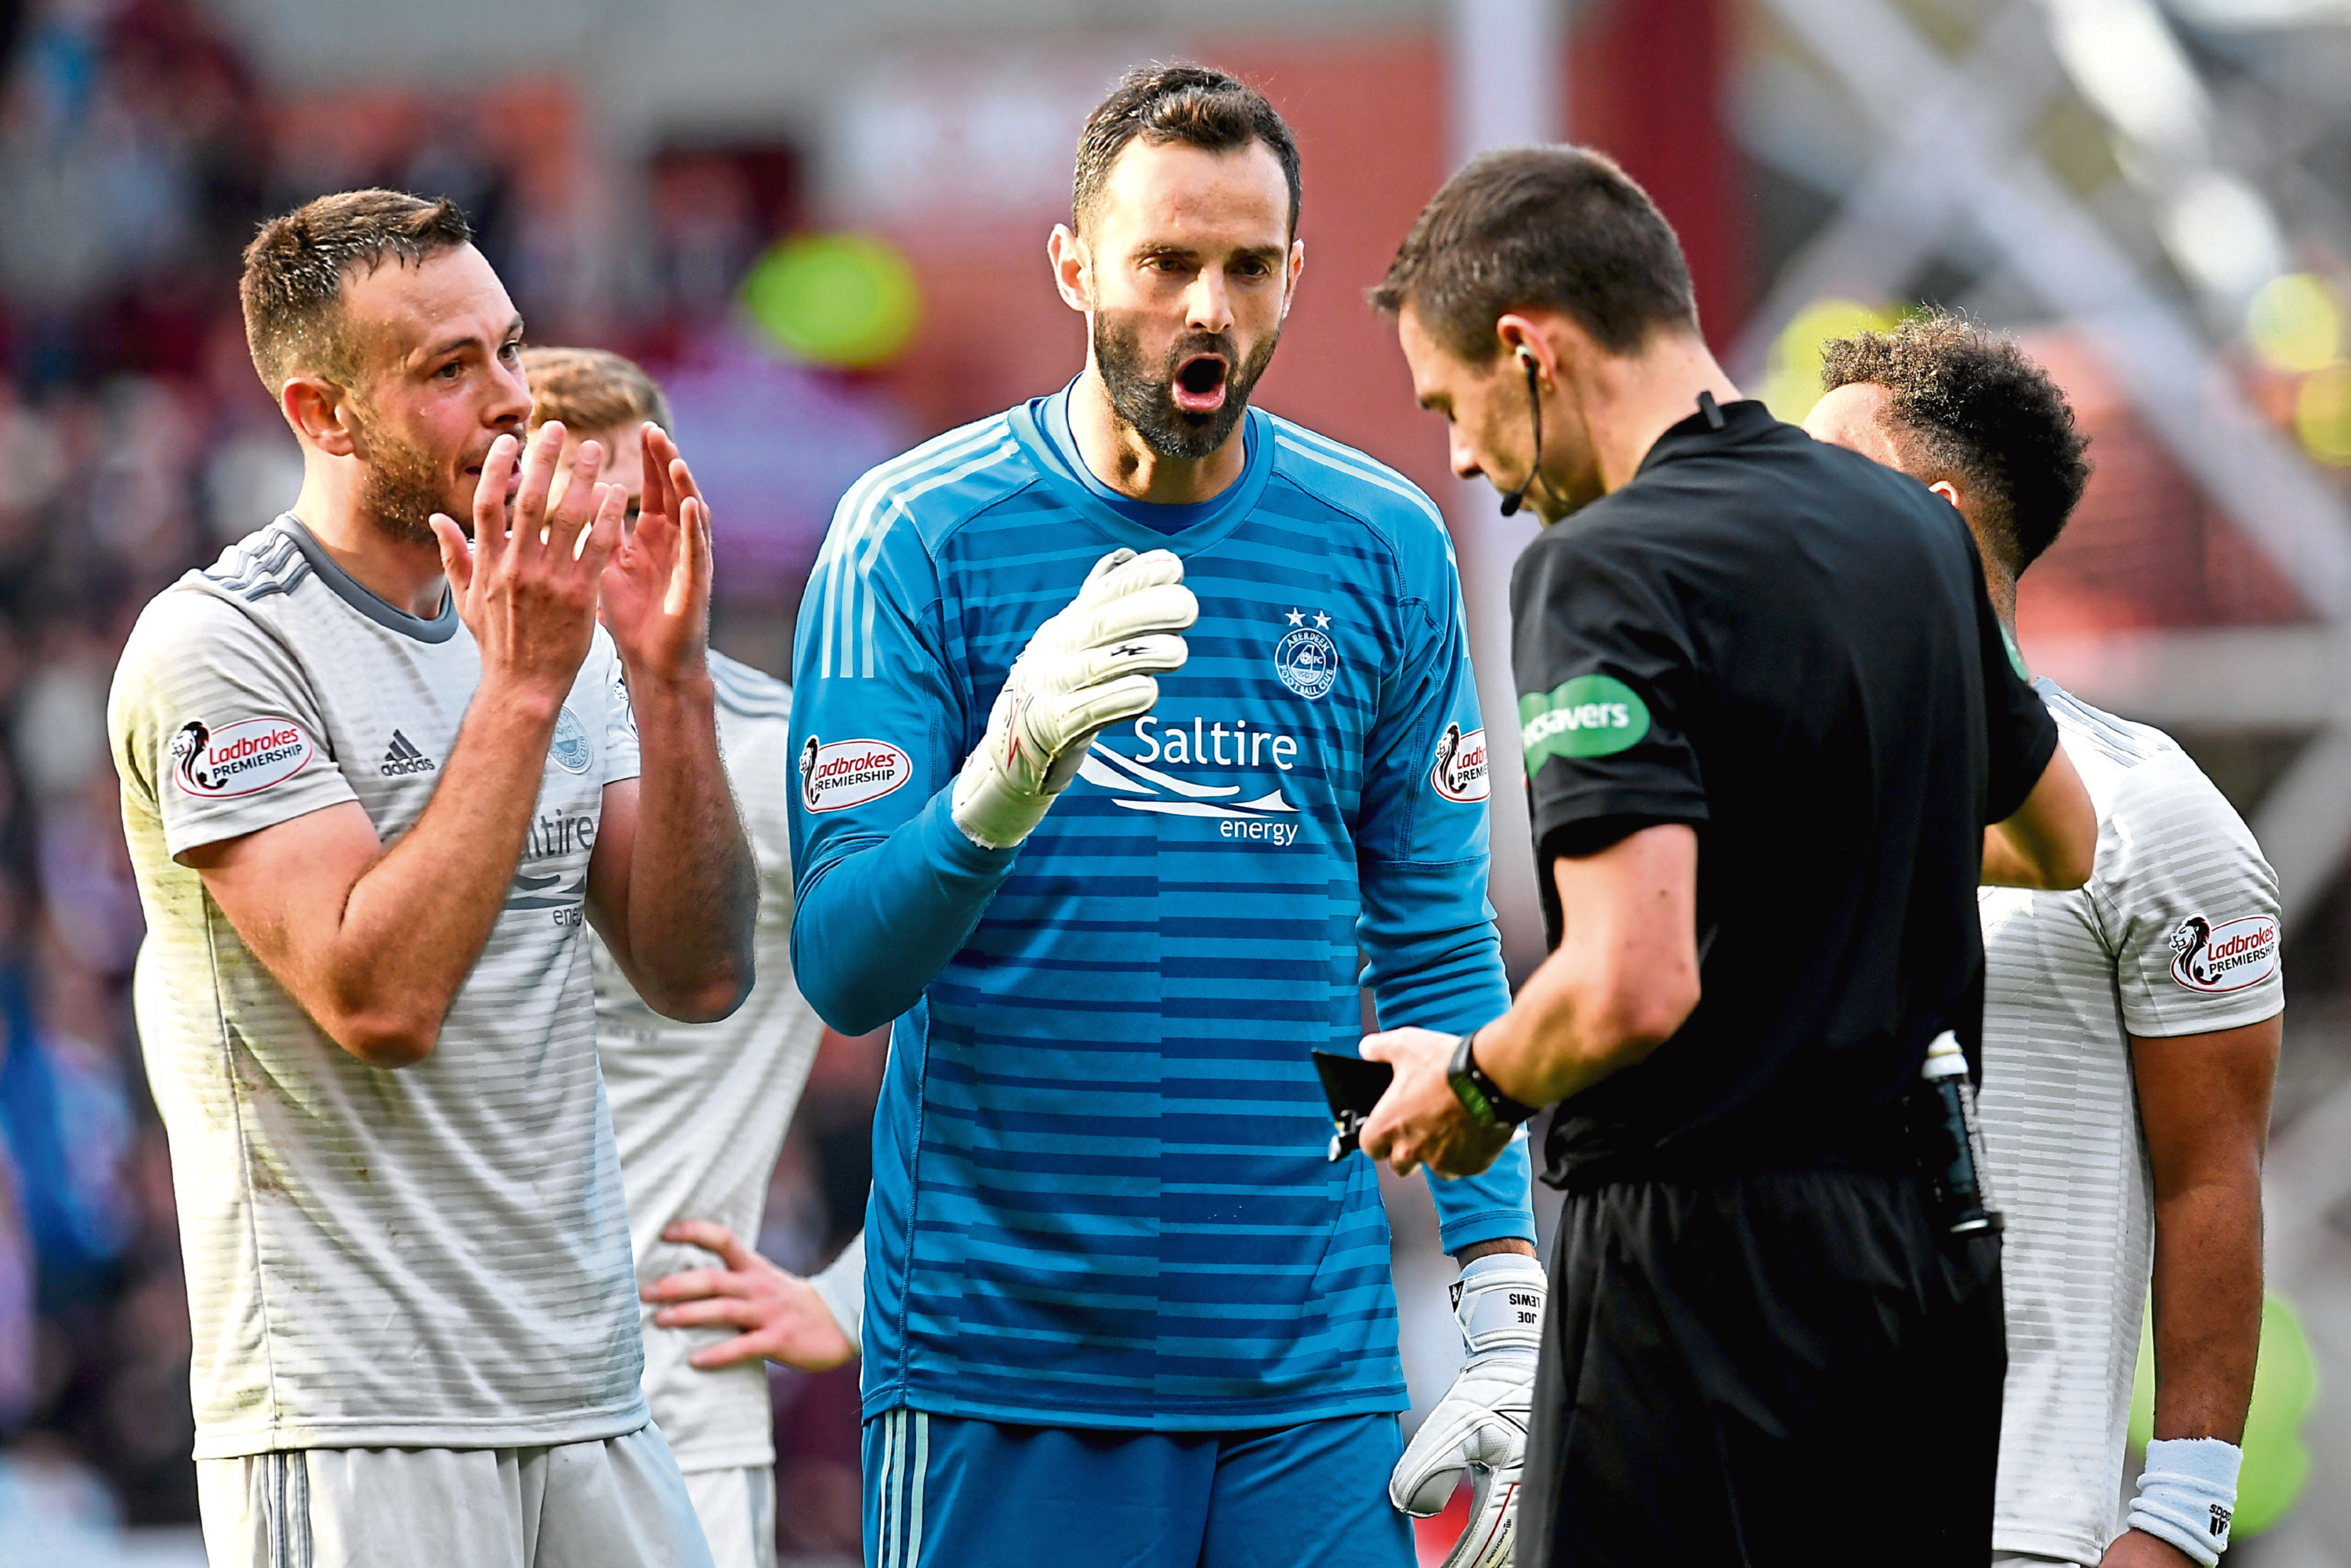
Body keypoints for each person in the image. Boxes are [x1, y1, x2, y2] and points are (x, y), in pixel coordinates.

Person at [787, 65, 1541, 1568]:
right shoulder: (914, 533)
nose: (1208, 306)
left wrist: (1498, 1283)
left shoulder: (1382, 547)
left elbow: (1435, 939)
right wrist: (1001, 779)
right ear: (1074, 266)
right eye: (1165, 262)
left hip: (1310, 1372)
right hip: (1005, 1371)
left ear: (1294, 278)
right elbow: (845, 966)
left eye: (1247, 267)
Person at [1357, 146, 2099, 1567]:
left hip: (1701, 1277)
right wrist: (1817, 855)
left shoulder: (1602, 569)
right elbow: (2060, 838)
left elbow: (1631, 982)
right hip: (1923, 1257)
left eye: (1452, 405)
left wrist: (1471, 1082)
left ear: (1531, 352)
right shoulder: (1912, 529)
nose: (1462, 459)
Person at [107, 191, 757, 1567]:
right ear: (324, 413)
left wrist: (666, 676)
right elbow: (381, 998)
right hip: (358, 1411)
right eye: (448, 370)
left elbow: (696, 970)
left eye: (509, 349)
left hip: (590, 1384)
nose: (514, 402)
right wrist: (521, 685)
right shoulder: (218, 647)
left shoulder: (550, 619)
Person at [1806, 314, 2281, 1568]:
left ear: (1939, 525)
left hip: (2012, 1523)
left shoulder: (2150, 812)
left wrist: (2179, 1521)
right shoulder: (1747, 796)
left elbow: (2212, 1179)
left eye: (1821, 485)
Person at [519, 345, 860, 1568]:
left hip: (672, 1428)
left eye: (619, 518)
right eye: (541, 519)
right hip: (427, 1421)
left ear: (674, 519)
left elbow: (1024, 1021)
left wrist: (854, 1294)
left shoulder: (779, 758)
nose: (586, 557)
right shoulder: (412, 745)